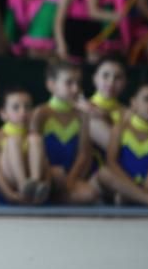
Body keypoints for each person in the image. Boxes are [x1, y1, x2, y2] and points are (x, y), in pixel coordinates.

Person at [30, 59, 99, 204]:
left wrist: (70, 181)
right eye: (69, 83)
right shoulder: (41, 112)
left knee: (90, 194)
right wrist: (48, 172)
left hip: (69, 174)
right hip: (47, 172)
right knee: (57, 174)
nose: (75, 89)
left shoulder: (81, 115)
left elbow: (84, 154)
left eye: (78, 83)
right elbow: (32, 151)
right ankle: (44, 190)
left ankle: (51, 197)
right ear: (52, 85)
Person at [0, 86, 50, 205]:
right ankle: (23, 185)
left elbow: (46, 164)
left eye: (27, 107)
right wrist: (9, 194)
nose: (23, 112)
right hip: (9, 184)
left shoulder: (34, 136)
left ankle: (35, 185)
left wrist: (47, 184)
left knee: (35, 139)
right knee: (13, 141)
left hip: (33, 183)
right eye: (16, 108)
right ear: (3, 114)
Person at [96, 83, 148, 206]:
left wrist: (146, 188)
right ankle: (145, 199)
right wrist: (131, 186)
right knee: (103, 173)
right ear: (134, 103)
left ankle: (131, 197)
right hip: (123, 183)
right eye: (147, 99)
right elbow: (111, 162)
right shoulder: (120, 129)